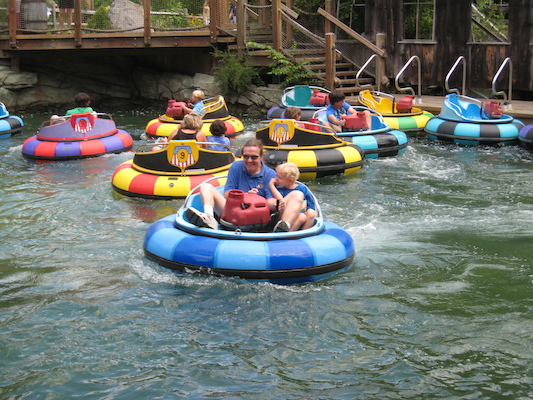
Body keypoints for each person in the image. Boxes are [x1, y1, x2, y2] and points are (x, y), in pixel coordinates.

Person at [186, 138, 304, 232]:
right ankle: (209, 218)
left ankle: (283, 228)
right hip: (233, 213)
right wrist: (244, 196)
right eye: (246, 156)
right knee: (206, 187)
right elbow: (227, 194)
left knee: (298, 194)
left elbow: (269, 201)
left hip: (258, 217)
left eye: (254, 157)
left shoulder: (270, 174)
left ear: (261, 157)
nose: (249, 160)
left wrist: (277, 203)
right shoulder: (236, 167)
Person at [268, 162, 316, 231]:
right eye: (276, 176)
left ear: (290, 180)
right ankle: (285, 231)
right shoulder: (280, 189)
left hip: (301, 213)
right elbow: (280, 200)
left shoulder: (302, 188)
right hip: (285, 214)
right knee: (301, 217)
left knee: (309, 214)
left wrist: (310, 211)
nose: (276, 179)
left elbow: (311, 204)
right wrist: (271, 185)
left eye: (280, 178)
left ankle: (304, 233)